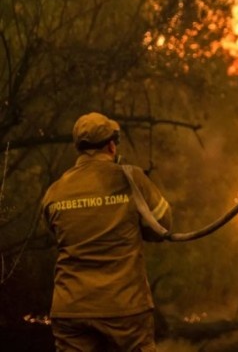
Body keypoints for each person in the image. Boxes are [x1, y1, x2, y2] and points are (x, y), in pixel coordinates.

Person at [41, 112, 172, 352]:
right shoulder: (131, 178)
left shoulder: (54, 191)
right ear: (111, 145)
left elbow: (56, 235)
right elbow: (163, 226)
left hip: (71, 309)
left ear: (78, 148)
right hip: (125, 309)